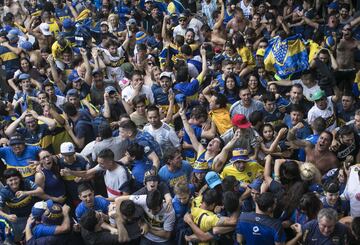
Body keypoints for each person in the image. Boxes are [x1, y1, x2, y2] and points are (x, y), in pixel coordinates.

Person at [236, 192, 302, 245]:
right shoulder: (276, 225)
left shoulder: (242, 217)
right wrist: (298, 236)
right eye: (275, 203)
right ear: (269, 208)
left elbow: (239, 240)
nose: (276, 205)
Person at [0, 169, 44, 242]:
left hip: (33, 214)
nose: (14, 182)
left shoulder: (26, 182)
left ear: (19, 178)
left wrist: (26, 193)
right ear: (7, 182)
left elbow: (40, 191)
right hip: (18, 219)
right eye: (10, 180)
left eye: (15, 179)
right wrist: (7, 216)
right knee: (22, 238)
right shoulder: (4, 192)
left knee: (37, 235)